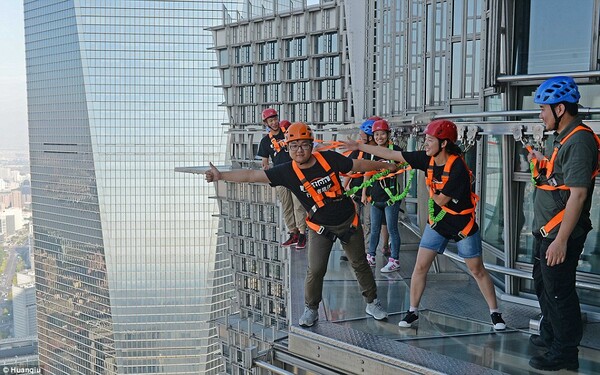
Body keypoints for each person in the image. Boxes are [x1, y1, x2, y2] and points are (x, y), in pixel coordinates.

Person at [205, 122, 396, 327]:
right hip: (319, 227)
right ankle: (311, 308)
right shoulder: (286, 171)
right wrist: (221, 176)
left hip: (347, 221)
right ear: (287, 148)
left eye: (304, 145)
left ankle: (372, 302)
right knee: (315, 269)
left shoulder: (328, 159)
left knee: (359, 264)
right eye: (294, 146)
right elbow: (252, 175)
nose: (299, 150)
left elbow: (357, 166)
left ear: (311, 145)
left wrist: (385, 165)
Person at [342, 119, 507, 330]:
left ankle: (495, 313)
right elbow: (393, 155)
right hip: (437, 223)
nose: (425, 145)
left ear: (444, 143)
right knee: (420, 267)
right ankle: (413, 311)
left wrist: (428, 185)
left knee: (477, 270)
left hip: (462, 225)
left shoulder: (457, 168)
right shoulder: (427, 158)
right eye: (425, 140)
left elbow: (440, 200)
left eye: (429, 140)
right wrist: (360, 147)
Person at [526, 76, 599, 371]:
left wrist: (561, 241)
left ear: (559, 109)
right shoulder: (563, 136)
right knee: (544, 286)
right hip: (547, 230)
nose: (540, 114)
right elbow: (563, 180)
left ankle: (565, 352)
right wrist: (541, 159)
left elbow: (579, 195)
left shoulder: (579, 139)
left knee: (559, 292)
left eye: (543, 108)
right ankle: (551, 334)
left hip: (559, 233)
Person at [257, 109, 307, 249]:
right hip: (280, 175)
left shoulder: (288, 132)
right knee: (286, 205)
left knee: (298, 204)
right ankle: (293, 233)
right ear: (266, 123)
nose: (274, 122)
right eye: (270, 120)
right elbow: (265, 161)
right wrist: (267, 171)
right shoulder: (265, 141)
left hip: (295, 172)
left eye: (275, 119)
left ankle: (302, 233)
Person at [341, 118, 390, 261]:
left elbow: (369, 174)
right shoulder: (359, 150)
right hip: (356, 192)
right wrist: (344, 188)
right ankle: (354, 250)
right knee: (355, 223)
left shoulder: (378, 152)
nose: (360, 136)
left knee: (369, 223)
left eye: (363, 134)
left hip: (371, 194)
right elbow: (350, 169)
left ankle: (368, 251)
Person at [365, 119, 402, 273]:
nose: (379, 137)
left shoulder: (395, 150)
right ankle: (370, 255)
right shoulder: (372, 152)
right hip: (375, 197)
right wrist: (365, 193)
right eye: (377, 134)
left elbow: (402, 165)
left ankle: (394, 259)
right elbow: (367, 173)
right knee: (374, 229)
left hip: (391, 197)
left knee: (392, 229)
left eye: (382, 134)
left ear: (388, 134)